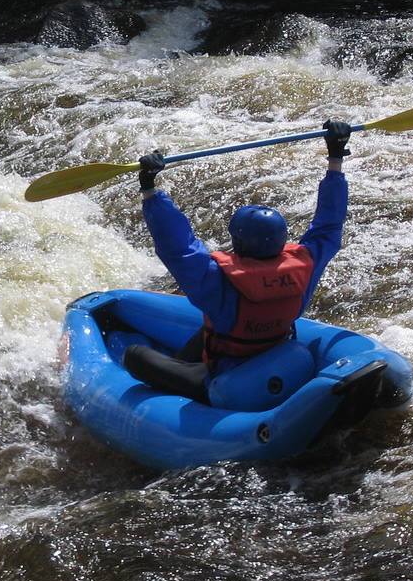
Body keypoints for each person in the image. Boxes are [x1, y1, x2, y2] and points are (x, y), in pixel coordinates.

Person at [123, 120, 352, 404]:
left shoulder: (218, 281)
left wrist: (150, 189)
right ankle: (184, 362)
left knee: (134, 355)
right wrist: (336, 156)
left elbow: (177, 246)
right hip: (278, 359)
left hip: (228, 379)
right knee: (208, 327)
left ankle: (179, 387)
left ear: (239, 243)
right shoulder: (306, 265)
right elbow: (329, 224)